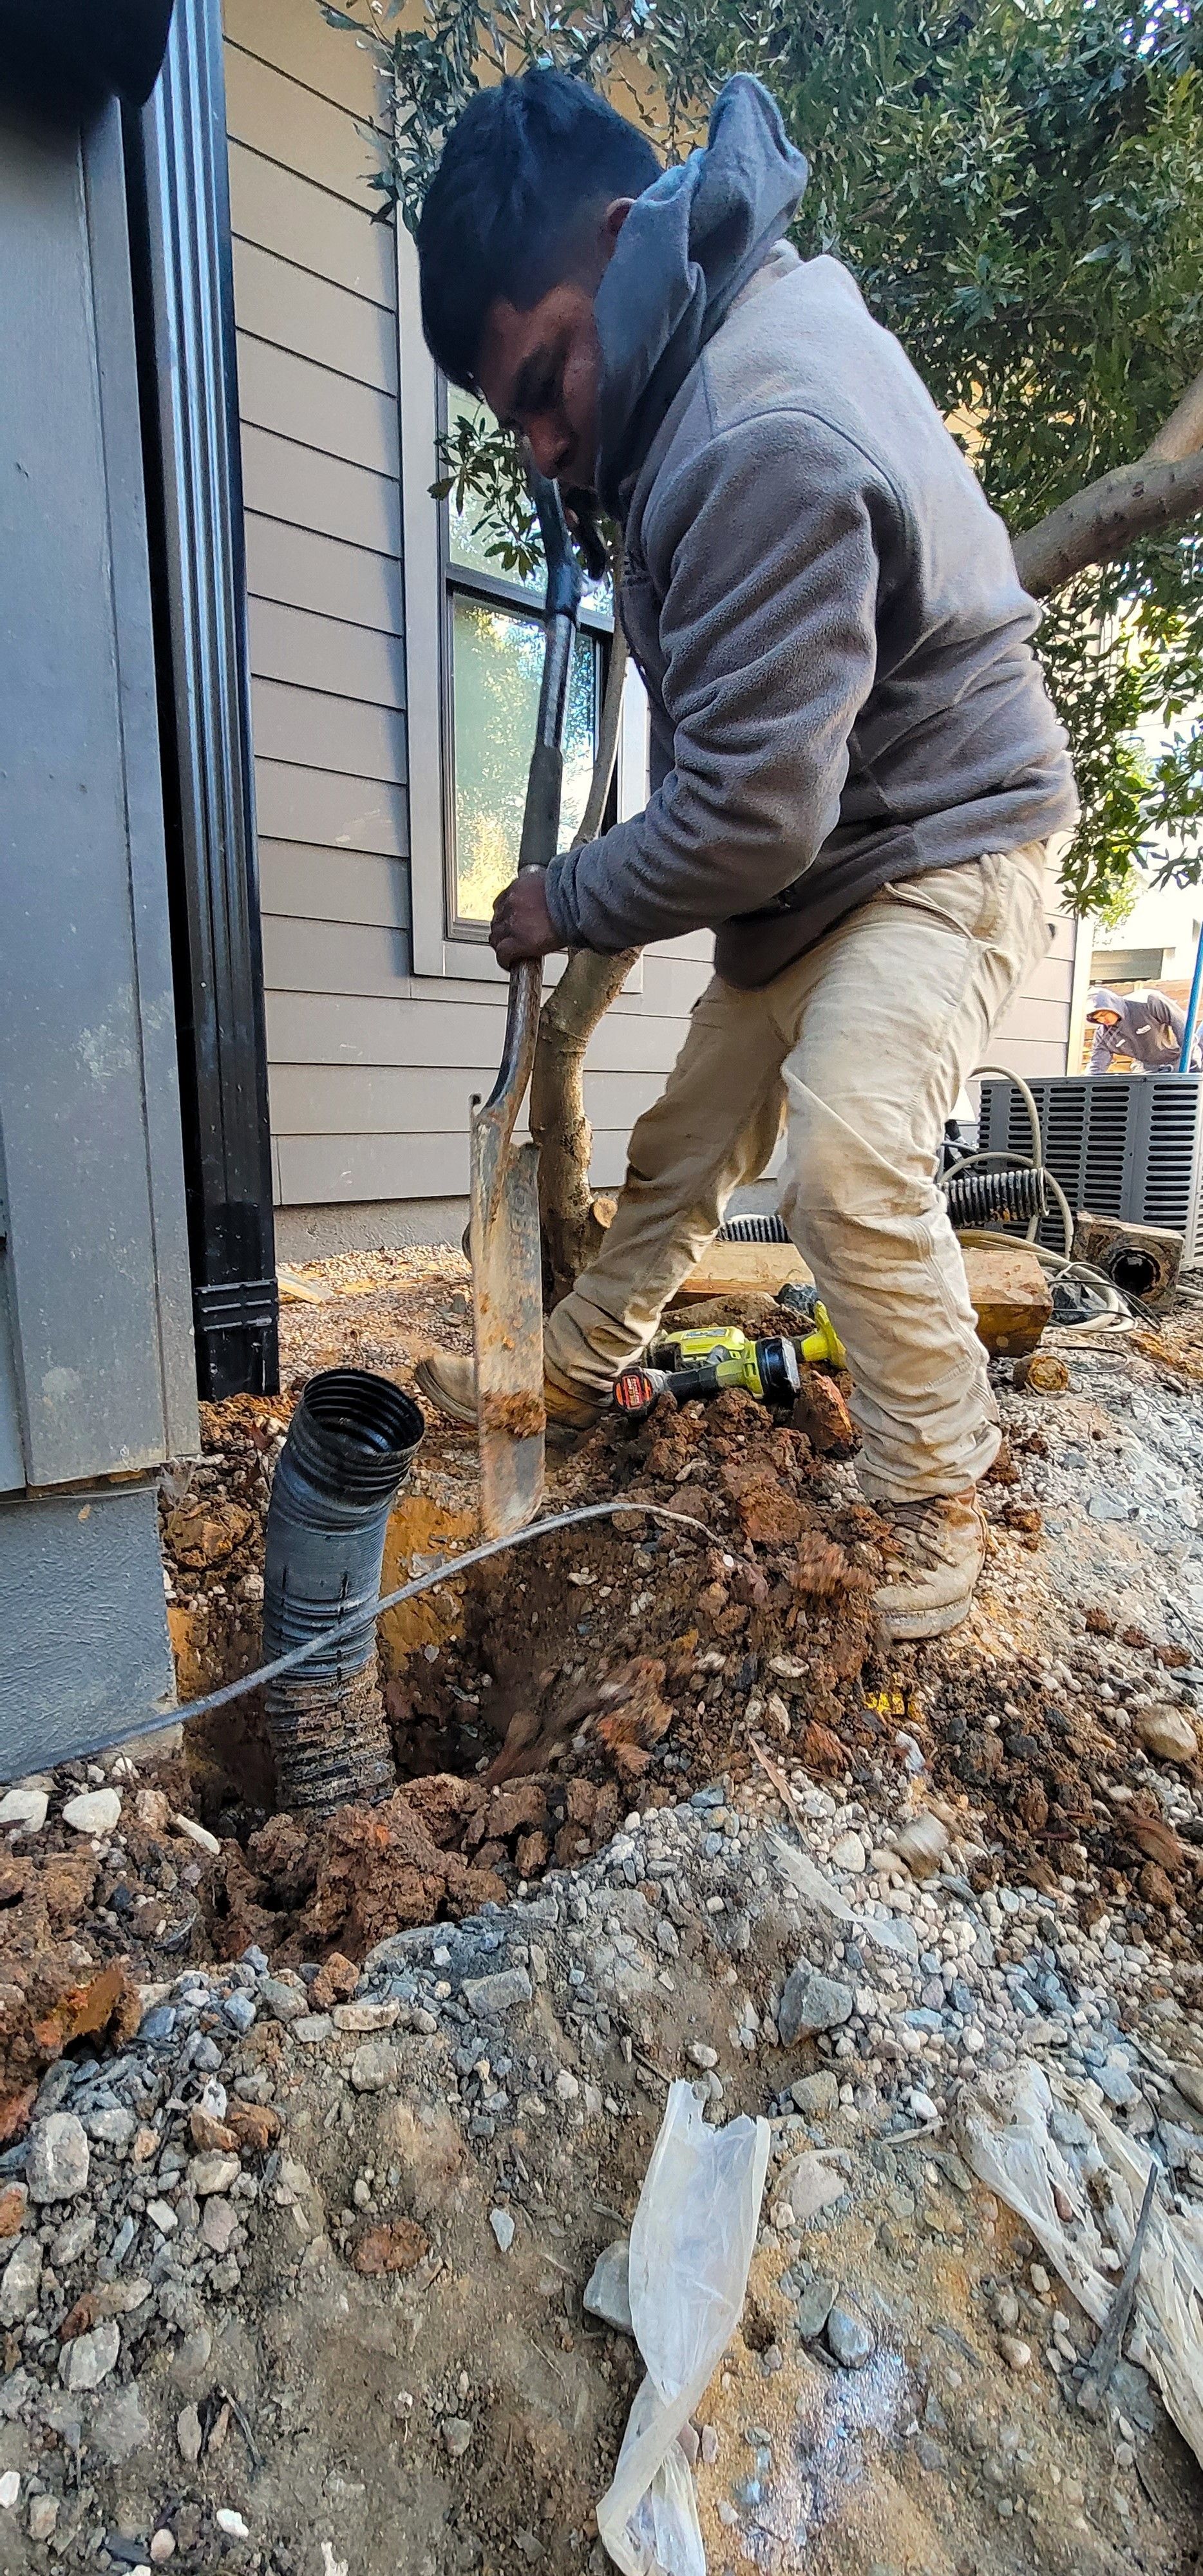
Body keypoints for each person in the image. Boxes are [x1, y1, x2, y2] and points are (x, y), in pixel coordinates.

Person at [413, 69, 1079, 1641]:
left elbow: (745, 816)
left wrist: (561, 898)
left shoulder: (743, 429)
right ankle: (570, 1361)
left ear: (624, 237)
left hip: (926, 849)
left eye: (541, 377)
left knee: (844, 1161)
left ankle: (930, 1497)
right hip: (821, 873)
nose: (537, 440)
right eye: (508, 414)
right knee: (684, 1141)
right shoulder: (698, 343)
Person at [1086, 986, 1199, 1074]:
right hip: (1147, 1069)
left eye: (1104, 1014)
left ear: (1111, 1004)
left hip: (1180, 1059)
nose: (1102, 1020)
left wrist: (1191, 1059)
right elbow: (1097, 1067)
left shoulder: (1148, 1002)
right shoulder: (1104, 1036)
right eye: (1097, 1019)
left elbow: (1182, 1025)